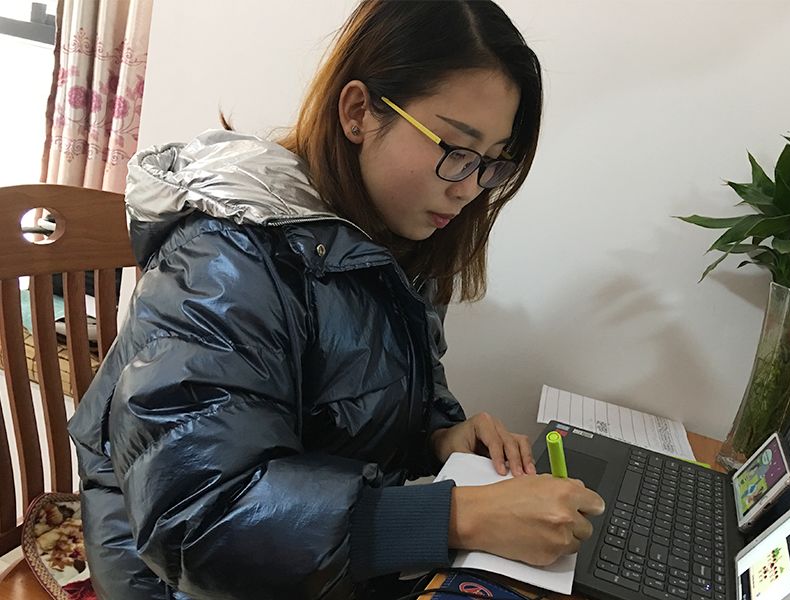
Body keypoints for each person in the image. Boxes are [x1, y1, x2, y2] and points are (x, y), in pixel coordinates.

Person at [68, 1, 605, 599]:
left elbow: (364, 396)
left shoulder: (390, 238)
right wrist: (459, 516)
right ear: (358, 112)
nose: (469, 189)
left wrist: (441, 433)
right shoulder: (225, 259)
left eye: (491, 164)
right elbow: (199, 520)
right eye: (456, 148)